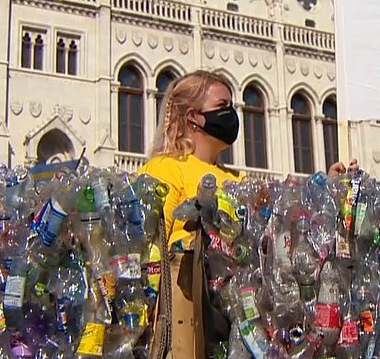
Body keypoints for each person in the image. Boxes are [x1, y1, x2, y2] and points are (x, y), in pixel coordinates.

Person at [142, 70, 354, 250]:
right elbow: (148, 246)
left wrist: (327, 189)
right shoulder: (165, 169)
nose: (230, 114)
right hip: (187, 285)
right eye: (222, 106)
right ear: (192, 116)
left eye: (231, 106)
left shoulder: (240, 180)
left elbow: (288, 229)